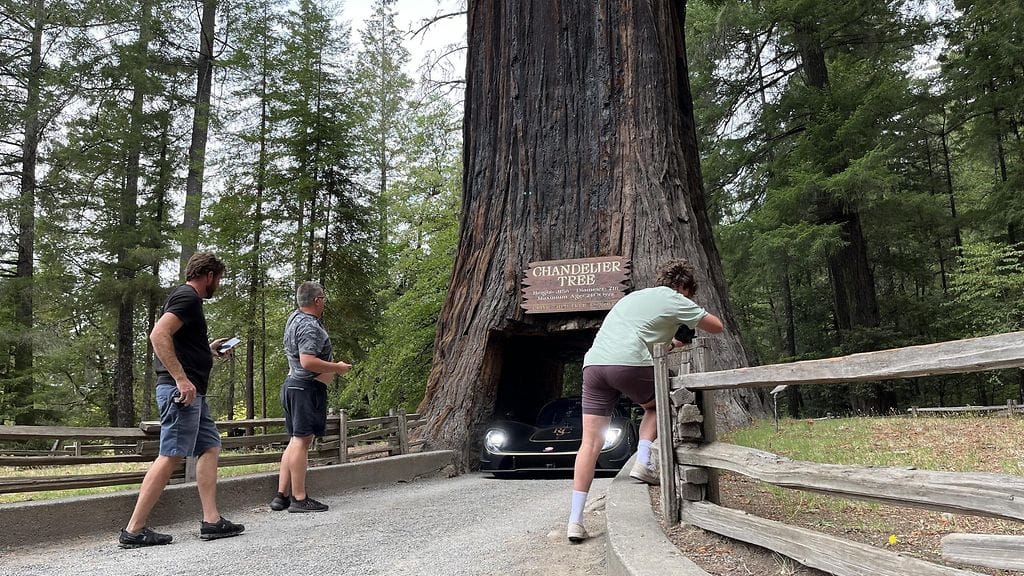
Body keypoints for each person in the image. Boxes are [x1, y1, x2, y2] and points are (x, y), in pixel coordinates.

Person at [566, 259, 724, 543]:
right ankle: (644, 462)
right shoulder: (675, 298)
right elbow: (716, 326)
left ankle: (575, 522)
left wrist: (674, 341)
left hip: (594, 366)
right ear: (683, 287)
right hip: (627, 364)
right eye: (688, 294)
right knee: (659, 402)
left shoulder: (635, 298)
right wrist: (691, 313)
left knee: (589, 444)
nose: (686, 299)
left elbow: (643, 334)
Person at [119, 252, 245, 548]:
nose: (219, 284)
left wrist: (209, 348)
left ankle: (212, 521)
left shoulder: (188, 301)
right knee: (172, 455)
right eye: (219, 278)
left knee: (210, 446)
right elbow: (158, 334)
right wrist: (181, 379)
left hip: (193, 392)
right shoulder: (187, 297)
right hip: (182, 392)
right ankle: (134, 530)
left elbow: (180, 340)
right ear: (210, 275)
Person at [269, 281, 352, 513]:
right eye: (323, 298)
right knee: (302, 441)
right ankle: (299, 498)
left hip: (294, 386)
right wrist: (337, 367)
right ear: (317, 300)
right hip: (306, 388)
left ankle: (281, 495)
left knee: (295, 441)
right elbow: (307, 361)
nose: (324, 302)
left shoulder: (293, 319)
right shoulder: (309, 326)